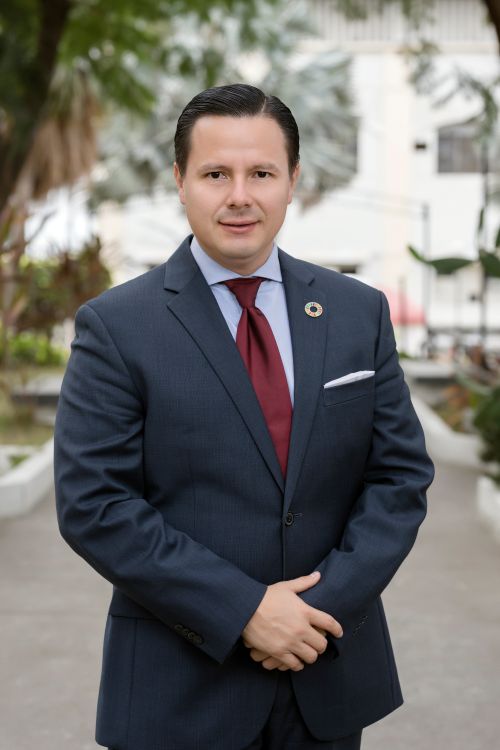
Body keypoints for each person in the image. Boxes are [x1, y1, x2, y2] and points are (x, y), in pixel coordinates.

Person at [54, 83, 435, 750]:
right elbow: (96, 503)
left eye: (261, 172)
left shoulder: (356, 312)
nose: (239, 195)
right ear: (180, 181)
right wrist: (247, 611)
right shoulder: (118, 327)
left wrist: (314, 611)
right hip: (180, 694)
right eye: (214, 174)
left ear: (292, 181)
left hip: (326, 674)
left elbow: (399, 478)